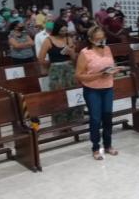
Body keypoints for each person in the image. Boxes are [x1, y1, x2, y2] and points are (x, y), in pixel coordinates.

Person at [75, 26, 122, 160]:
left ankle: (108, 145)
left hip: (108, 88)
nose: (101, 41)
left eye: (103, 38)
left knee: (107, 117)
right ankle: (95, 147)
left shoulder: (107, 49)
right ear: (91, 39)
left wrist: (114, 70)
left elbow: (110, 66)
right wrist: (100, 75)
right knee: (96, 119)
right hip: (92, 90)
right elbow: (79, 75)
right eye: (98, 39)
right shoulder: (85, 53)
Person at [37, 19, 82, 124]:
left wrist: (71, 52)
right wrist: (51, 65)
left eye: (65, 31)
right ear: (57, 30)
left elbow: (74, 58)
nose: (64, 33)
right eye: (62, 31)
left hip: (69, 69)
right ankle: (60, 121)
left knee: (73, 92)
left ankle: (75, 118)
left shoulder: (68, 39)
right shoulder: (48, 40)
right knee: (59, 94)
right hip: (56, 71)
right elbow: (41, 59)